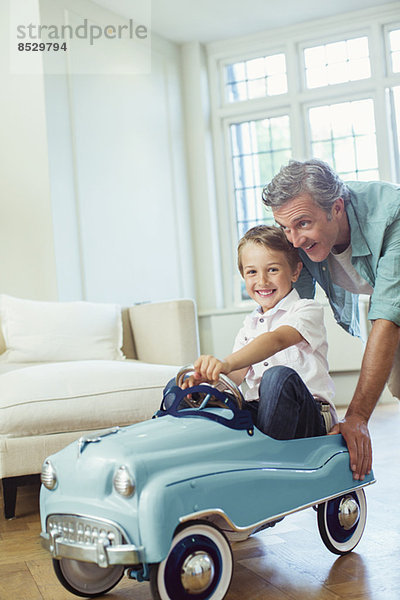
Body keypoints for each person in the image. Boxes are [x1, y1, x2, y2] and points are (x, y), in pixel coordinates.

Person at [262, 158, 400, 480]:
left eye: (303, 225)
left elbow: (389, 318)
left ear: (336, 208)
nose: (294, 240)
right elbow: (287, 315)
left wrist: (357, 418)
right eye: (285, 227)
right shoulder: (297, 231)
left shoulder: (392, 215)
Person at [185, 225, 337, 440]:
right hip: (262, 414)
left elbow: (276, 340)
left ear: (295, 271)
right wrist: (206, 383)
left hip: (309, 414)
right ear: (243, 276)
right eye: (252, 272)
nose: (262, 281)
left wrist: (226, 362)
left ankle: (267, 454)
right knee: (183, 390)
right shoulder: (249, 325)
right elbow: (234, 377)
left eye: (273, 270)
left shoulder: (306, 309)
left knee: (276, 377)